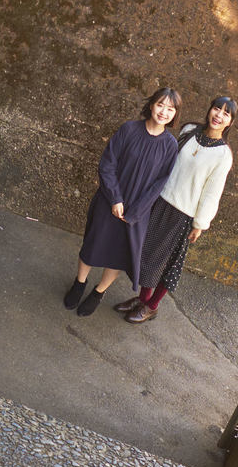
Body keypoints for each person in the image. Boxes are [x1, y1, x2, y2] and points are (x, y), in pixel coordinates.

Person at [115, 95, 237, 323]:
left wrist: (200, 224)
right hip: (160, 200)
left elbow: (212, 193)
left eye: (226, 113)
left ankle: (151, 306)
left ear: (230, 122)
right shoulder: (190, 130)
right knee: (146, 255)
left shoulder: (223, 155)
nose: (219, 115)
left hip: (183, 213)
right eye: (216, 109)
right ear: (209, 109)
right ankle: (142, 299)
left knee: (166, 263)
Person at [63, 87, 182, 317]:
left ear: (175, 114)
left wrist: (135, 212)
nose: (164, 112)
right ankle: (80, 283)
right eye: (160, 105)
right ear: (151, 105)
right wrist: (115, 198)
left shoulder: (170, 146)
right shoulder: (129, 129)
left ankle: (99, 292)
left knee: (118, 255)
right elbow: (107, 163)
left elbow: (160, 184)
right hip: (109, 200)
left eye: (170, 109)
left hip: (137, 212)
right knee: (92, 245)